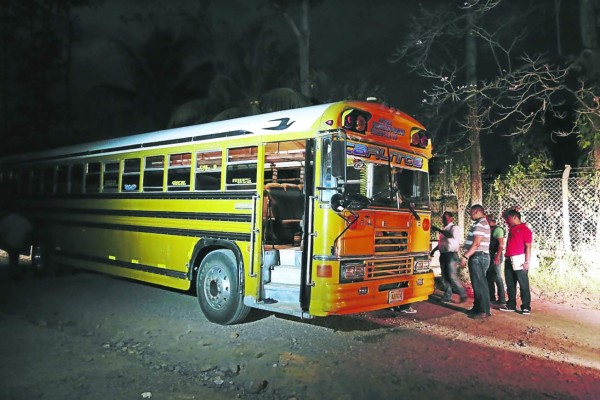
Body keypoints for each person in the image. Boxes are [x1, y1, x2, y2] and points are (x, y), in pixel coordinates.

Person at [499, 208, 533, 315]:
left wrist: (527, 262)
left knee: (523, 284)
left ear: (515, 217)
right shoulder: (512, 228)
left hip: (519, 260)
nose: (507, 221)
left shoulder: (525, 230)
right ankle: (511, 305)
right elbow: (504, 215)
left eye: (509, 218)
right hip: (509, 259)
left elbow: (528, 247)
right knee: (510, 284)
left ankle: (526, 307)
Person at [460, 204, 491, 319]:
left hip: (478, 256)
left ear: (477, 211)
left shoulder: (480, 224)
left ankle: (483, 310)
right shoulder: (481, 223)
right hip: (479, 256)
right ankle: (478, 308)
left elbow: (476, 244)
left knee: (479, 285)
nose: (470, 215)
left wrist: (465, 256)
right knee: (478, 284)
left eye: (471, 212)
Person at [430, 211, 467, 303]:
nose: (444, 220)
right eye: (443, 218)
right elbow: (441, 243)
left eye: (446, 218)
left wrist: (438, 229)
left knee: (452, 276)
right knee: (444, 277)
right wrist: (434, 250)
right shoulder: (444, 229)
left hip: (451, 255)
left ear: (451, 218)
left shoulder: (454, 228)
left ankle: (463, 294)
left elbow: (450, 236)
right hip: (443, 255)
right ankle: (447, 296)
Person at [486, 215, 506, 304]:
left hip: (496, 254)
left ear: (490, 221)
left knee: (497, 276)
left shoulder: (498, 230)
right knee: (489, 276)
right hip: (489, 254)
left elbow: (501, 245)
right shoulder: (490, 229)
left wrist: (497, 256)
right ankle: (491, 297)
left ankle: (502, 299)